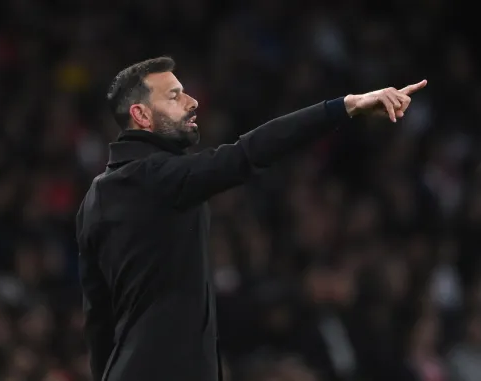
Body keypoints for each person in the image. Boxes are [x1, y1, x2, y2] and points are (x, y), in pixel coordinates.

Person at [75, 56, 426, 381]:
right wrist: (343, 107)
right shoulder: (158, 177)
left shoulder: (95, 197)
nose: (192, 102)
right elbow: (248, 152)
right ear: (141, 115)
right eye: (174, 96)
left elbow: (99, 320)